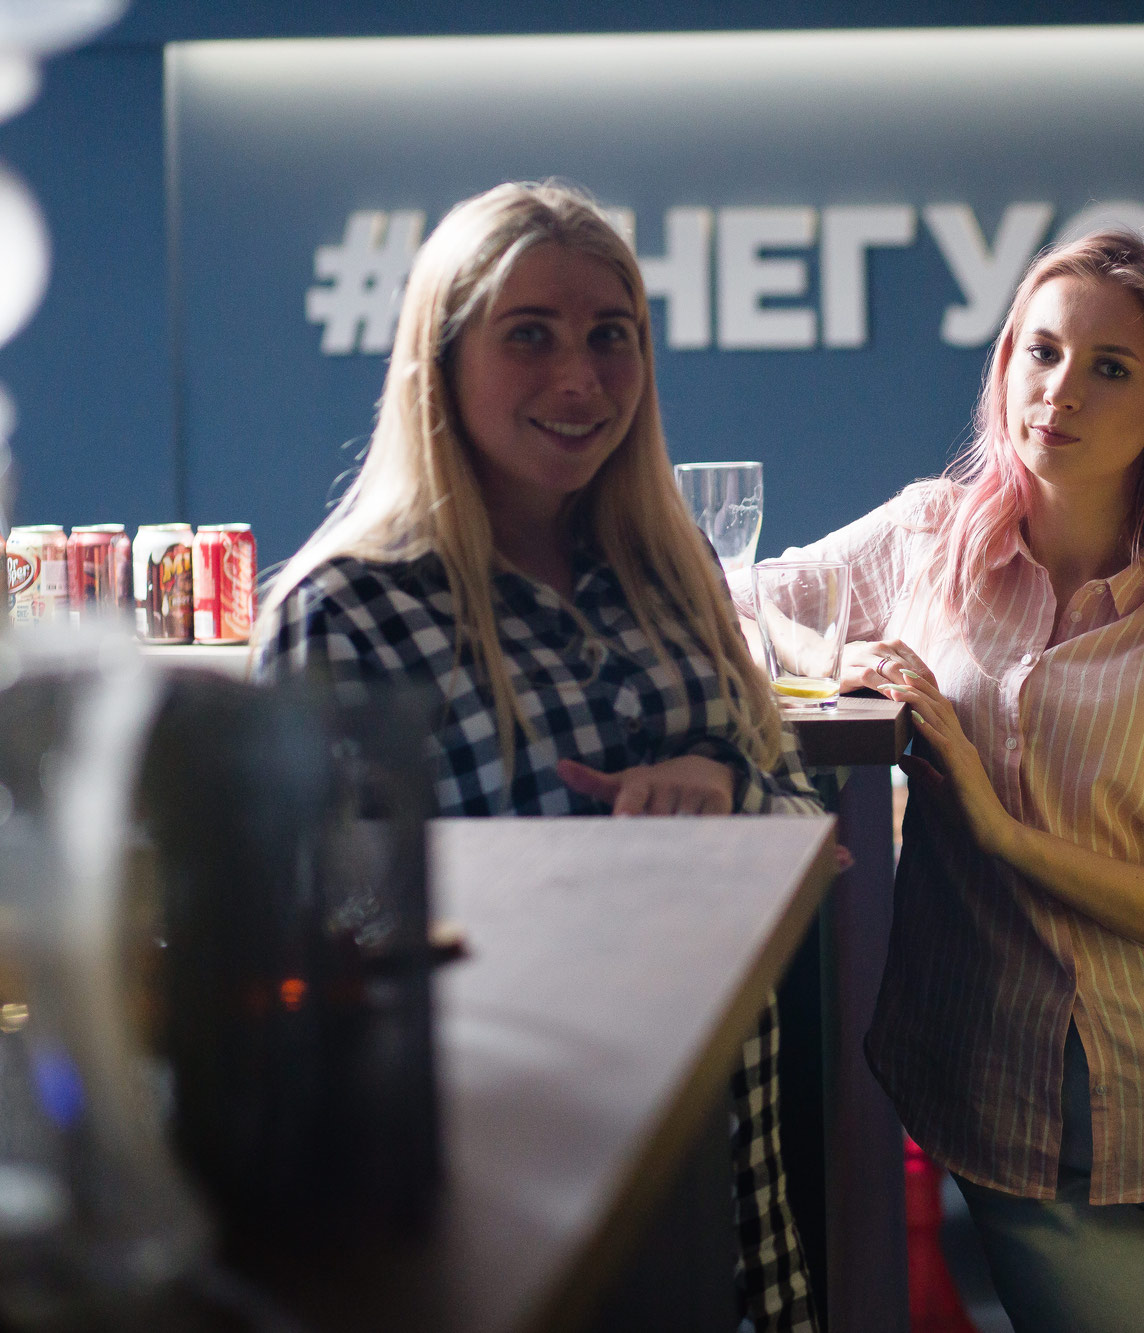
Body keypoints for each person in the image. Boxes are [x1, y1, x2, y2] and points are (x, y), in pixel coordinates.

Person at [251, 181, 824, 1332]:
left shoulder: (671, 570)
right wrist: (586, 875)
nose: (580, 379)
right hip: (502, 1220)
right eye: (529, 336)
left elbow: (803, 825)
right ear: (441, 358)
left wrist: (723, 788)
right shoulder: (348, 612)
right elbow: (320, 980)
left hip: (730, 1197)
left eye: (611, 336)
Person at [740, 232, 1144, 1333]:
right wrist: (829, 657)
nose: (1061, 390)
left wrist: (1003, 836)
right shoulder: (925, 537)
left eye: (1111, 367)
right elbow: (734, 605)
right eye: (1042, 351)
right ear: (1006, 362)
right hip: (1006, 1107)